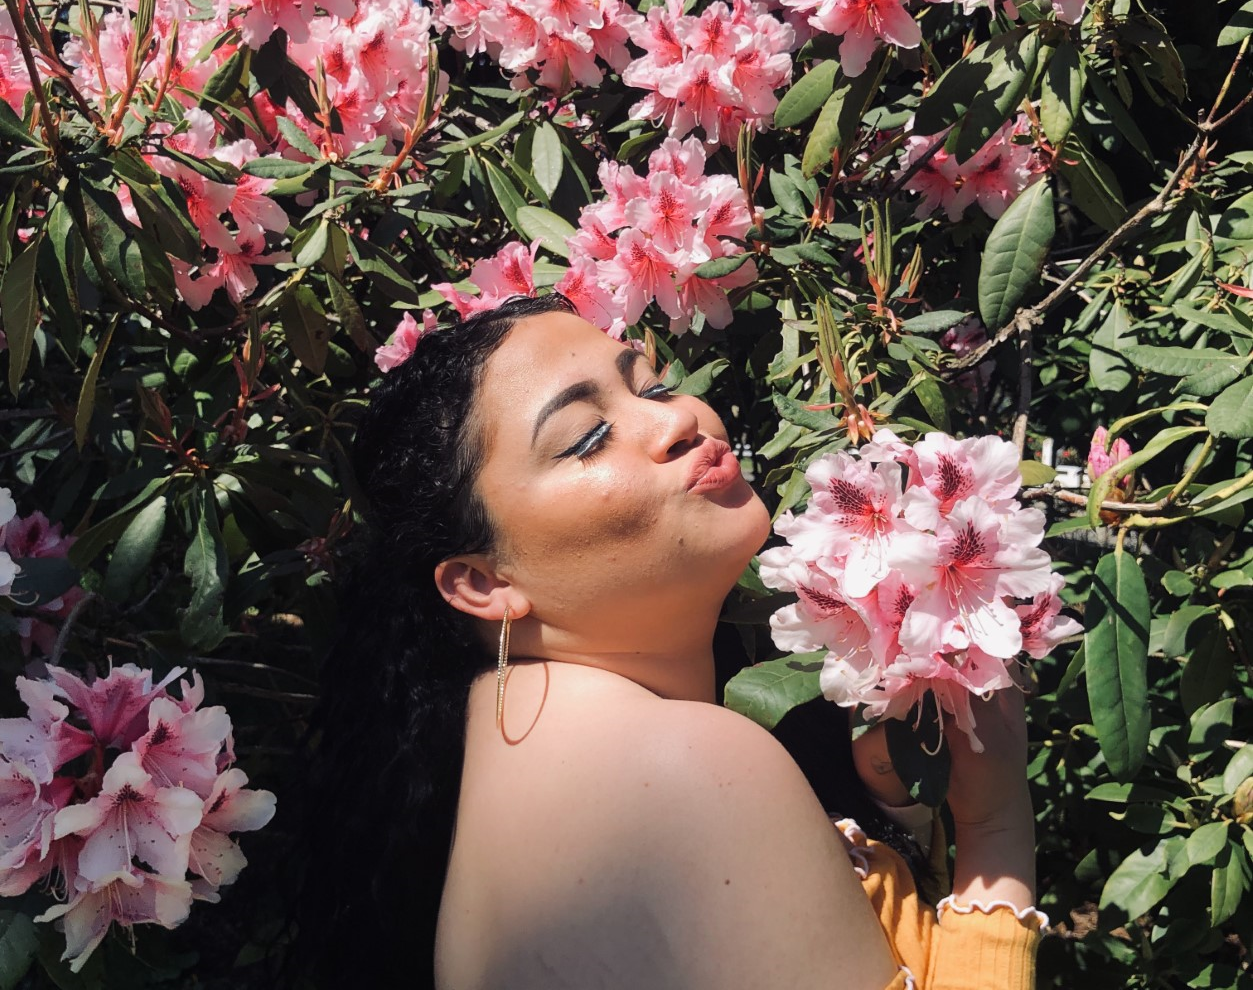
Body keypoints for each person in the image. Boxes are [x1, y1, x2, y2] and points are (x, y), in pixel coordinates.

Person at [296, 294, 1044, 989]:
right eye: (585, 438)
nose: (679, 419)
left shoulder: (519, 745)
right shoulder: (677, 761)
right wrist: (995, 827)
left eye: (651, 387)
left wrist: (895, 809)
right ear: (482, 583)